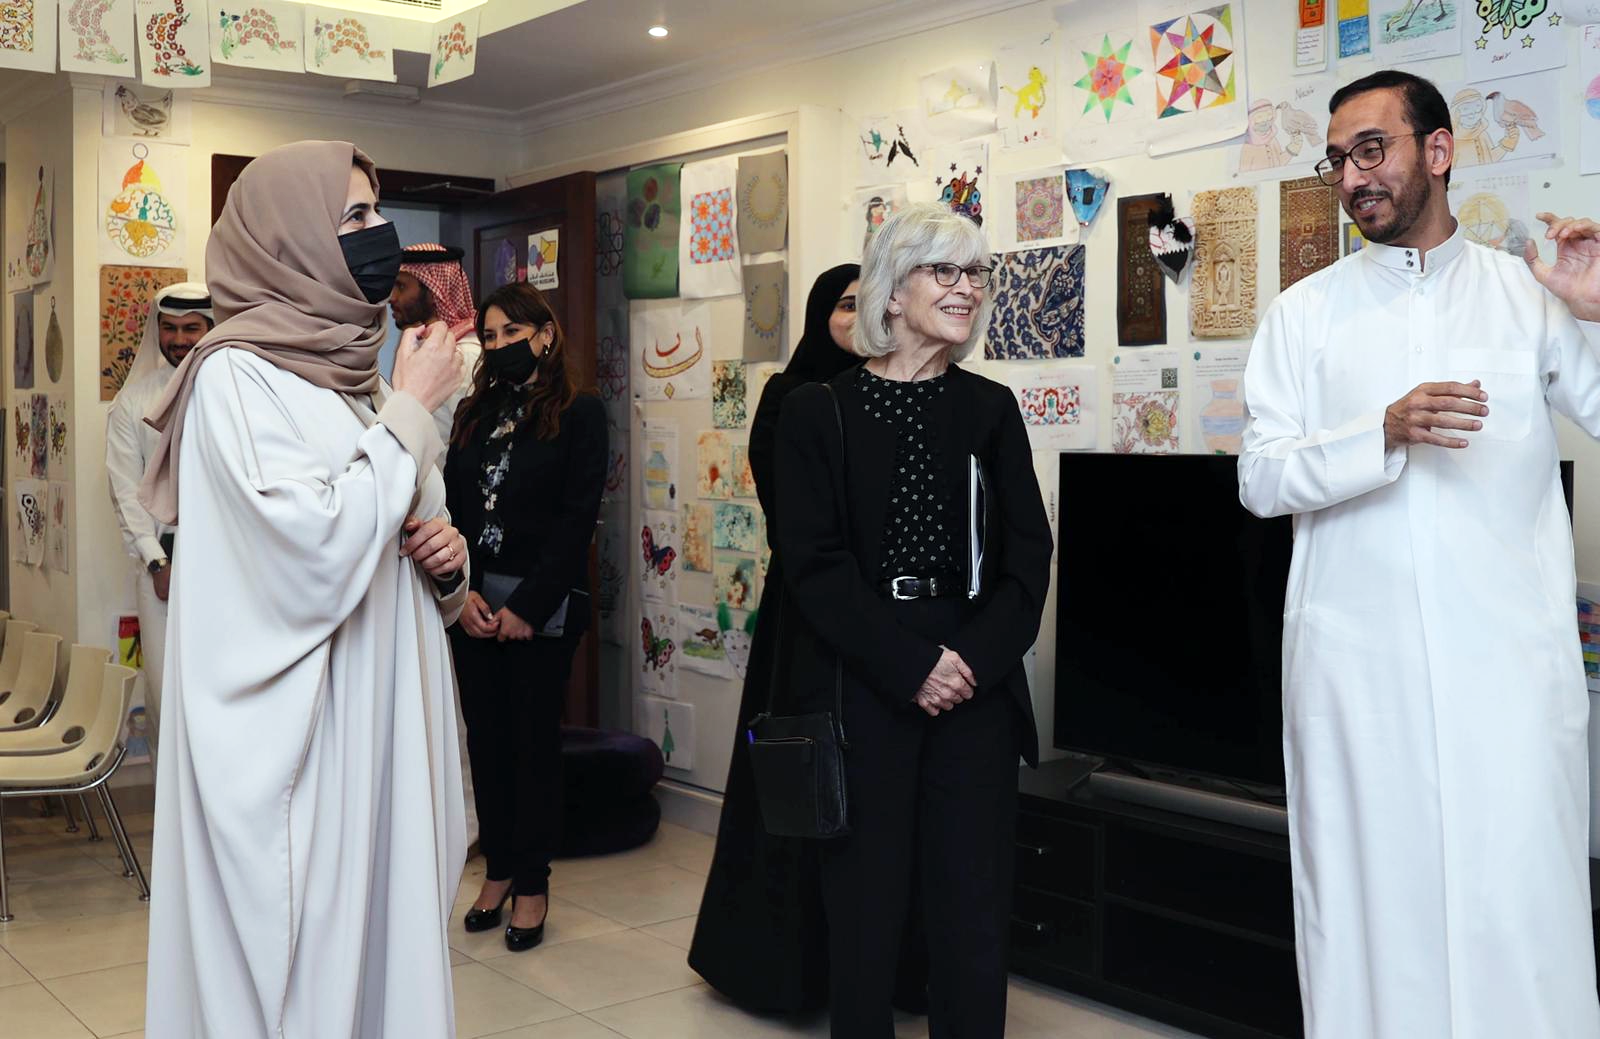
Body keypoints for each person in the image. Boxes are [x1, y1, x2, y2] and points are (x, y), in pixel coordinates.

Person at [1238, 70, 1600, 1038]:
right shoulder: (1304, 315)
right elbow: (1261, 478)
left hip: (1508, 679)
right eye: (1337, 160)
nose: (1353, 176)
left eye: (1372, 149)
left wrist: (1598, 311)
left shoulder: (1528, 298)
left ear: (1438, 151)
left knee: (1518, 910)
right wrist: (1381, 433)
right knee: (1371, 916)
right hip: (1359, 680)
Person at [141, 140, 471, 1038]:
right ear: (288, 240)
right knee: (317, 974)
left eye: (377, 211)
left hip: (383, 720)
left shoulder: (356, 373)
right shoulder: (235, 377)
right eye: (355, 215)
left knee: (384, 955)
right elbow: (312, 546)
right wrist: (414, 410)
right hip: (315, 743)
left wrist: (446, 560)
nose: (381, 233)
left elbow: (408, 517)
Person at [776, 204, 1052, 1037]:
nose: (968, 288)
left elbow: (1028, 558)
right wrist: (911, 665)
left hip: (975, 685)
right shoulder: (817, 410)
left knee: (972, 913)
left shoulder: (991, 408)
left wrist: (966, 661)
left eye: (977, 273)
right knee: (864, 915)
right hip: (866, 682)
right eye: (946, 271)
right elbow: (814, 568)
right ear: (892, 292)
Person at [688, 264, 863, 1011]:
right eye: (846, 305)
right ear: (822, 314)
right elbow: (794, 514)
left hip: (880, 620)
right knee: (799, 773)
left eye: (872, 303)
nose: (860, 317)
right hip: (805, 610)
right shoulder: (789, 395)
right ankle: (782, 971)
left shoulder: (893, 390)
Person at [444, 281, 606, 953]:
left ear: (545, 334)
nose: (501, 344)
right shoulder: (473, 411)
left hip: (543, 609)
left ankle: (534, 883)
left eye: (513, 332)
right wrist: (462, 595)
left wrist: (526, 608)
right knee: (486, 743)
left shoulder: (580, 411)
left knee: (532, 746)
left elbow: (576, 521)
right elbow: (452, 509)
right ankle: (500, 868)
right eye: (490, 335)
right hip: (474, 607)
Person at [105, 281, 213, 766]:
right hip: (163, 568)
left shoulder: (230, 390)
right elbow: (126, 491)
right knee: (168, 692)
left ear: (210, 327)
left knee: (221, 690)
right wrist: (156, 562)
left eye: (192, 328)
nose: (180, 339)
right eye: (170, 328)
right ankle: (172, 808)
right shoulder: (133, 402)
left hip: (228, 561)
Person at [392, 242, 483, 442]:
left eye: (401, 286)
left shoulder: (467, 355)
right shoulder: (418, 345)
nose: (392, 297)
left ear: (435, 291)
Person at [1450, 86, 1516, 168]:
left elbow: (1491, 158)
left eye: (1477, 107)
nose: (1472, 113)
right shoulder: (1453, 140)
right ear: (1456, 113)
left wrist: (1508, 141)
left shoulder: (1482, 134)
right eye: (1465, 109)